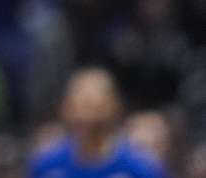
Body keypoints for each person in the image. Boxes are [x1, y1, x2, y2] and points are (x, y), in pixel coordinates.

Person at [29, 68, 166, 178]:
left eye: (92, 106)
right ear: (64, 108)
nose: (84, 115)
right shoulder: (47, 166)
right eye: (76, 106)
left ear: (113, 106)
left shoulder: (141, 168)